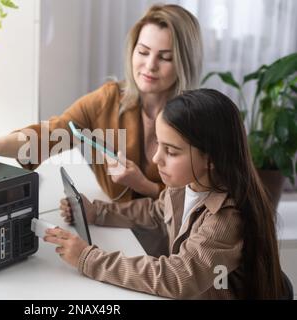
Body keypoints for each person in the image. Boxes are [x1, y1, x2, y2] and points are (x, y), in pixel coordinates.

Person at [44, 89, 285, 299]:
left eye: (170, 151)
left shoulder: (226, 220)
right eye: (158, 144)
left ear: (210, 159)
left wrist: (88, 258)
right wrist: (97, 211)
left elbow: (178, 277)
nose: (156, 158)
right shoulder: (186, 184)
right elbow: (157, 212)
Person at [0, 4, 203, 202]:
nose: (150, 66)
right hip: (119, 225)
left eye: (165, 57)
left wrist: (144, 185)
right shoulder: (109, 100)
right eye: (143, 52)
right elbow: (52, 134)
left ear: (184, 62)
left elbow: (201, 200)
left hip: (170, 241)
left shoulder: (199, 120)